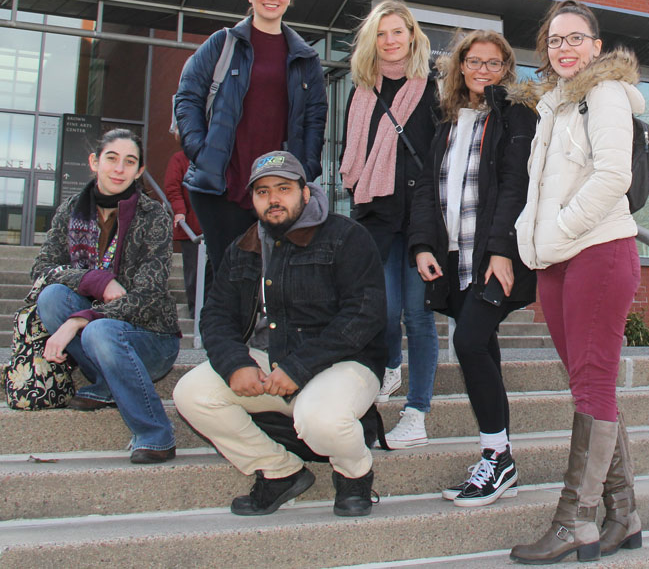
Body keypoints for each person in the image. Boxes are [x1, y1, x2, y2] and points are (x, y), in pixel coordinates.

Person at [173, 151, 386, 517]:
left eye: (283, 189)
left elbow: (363, 316)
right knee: (191, 393)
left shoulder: (346, 236)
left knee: (320, 419)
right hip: (269, 361)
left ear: (305, 192)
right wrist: (235, 364)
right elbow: (215, 316)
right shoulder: (243, 246)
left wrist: (298, 367)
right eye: (263, 192)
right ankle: (278, 472)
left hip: (343, 364)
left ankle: (355, 477)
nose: (273, 199)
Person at [510, 1, 645, 564]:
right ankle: (625, 516)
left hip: (598, 251)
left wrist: (561, 230)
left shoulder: (606, 94)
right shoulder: (552, 106)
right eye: (555, 40)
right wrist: (532, 238)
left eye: (576, 38)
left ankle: (575, 521)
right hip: (557, 261)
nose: (565, 48)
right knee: (590, 387)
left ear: (595, 45)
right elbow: (539, 186)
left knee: (591, 387)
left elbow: (615, 175)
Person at [407, 30, 536, 507]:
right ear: (460, 67)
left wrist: (502, 250)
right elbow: (426, 190)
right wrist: (423, 245)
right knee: (482, 346)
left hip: (494, 256)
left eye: (493, 63)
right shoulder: (448, 123)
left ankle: (496, 457)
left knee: (466, 341)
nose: (483, 70)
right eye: (474, 62)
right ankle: (500, 457)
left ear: (506, 69)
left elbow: (515, 184)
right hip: (455, 257)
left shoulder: (516, 115)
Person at [32, 129, 181, 464]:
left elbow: (148, 293)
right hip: (101, 327)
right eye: (111, 158)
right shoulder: (71, 210)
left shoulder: (153, 215)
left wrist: (79, 320)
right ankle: (104, 382)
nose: (119, 169)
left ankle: (157, 434)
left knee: (98, 329)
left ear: (139, 171)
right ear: (94, 162)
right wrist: (94, 281)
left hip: (150, 337)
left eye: (130, 162)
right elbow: (42, 268)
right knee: (52, 297)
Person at [173, 0, 327, 275]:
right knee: (228, 271)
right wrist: (201, 151)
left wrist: (307, 166)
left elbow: (315, 116)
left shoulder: (306, 57)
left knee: (272, 276)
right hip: (224, 183)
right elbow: (187, 97)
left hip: (278, 185)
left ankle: (257, 328)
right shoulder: (223, 43)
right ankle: (220, 328)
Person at [338, 0, 439, 448]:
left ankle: (417, 411)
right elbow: (350, 155)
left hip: (421, 220)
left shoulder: (434, 89)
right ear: (371, 41)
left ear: (413, 36)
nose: (390, 40)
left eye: (398, 31)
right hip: (376, 217)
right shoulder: (361, 92)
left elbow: (440, 158)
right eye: (382, 33)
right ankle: (390, 368)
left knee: (418, 317)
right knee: (382, 311)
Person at [164, 125, 205, 317]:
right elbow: (172, 188)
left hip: (212, 226)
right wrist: (179, 212)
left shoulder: (213, 159)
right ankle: (195, 311)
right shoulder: (179, 160)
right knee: (193, 273)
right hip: (191, 228)